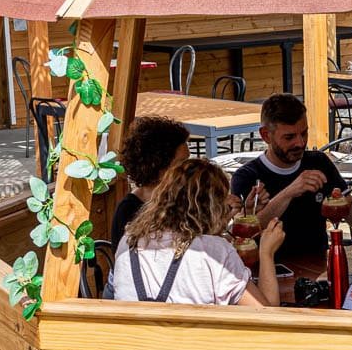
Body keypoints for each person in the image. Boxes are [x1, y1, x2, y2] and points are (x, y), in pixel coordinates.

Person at [112, 157, 283, 307]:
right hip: (194, 342)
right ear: (213, 207)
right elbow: (266, 313)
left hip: (134, 342)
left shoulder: (128, 241)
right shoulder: (216, 251)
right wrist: (266, 253)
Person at [230, 93, 352, 257]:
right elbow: (247, 235)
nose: (300, 143)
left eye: (304, 133)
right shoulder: (247, 176)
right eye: (289, 137)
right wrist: (290, 191)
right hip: (270, 272)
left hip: (319, 269)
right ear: (266, 135)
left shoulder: (319, 162)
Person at [111, 116, 190, 251]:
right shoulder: (129, 211)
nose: (188, 168)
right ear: (158, 166)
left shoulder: (181, 196)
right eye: (181, 163)